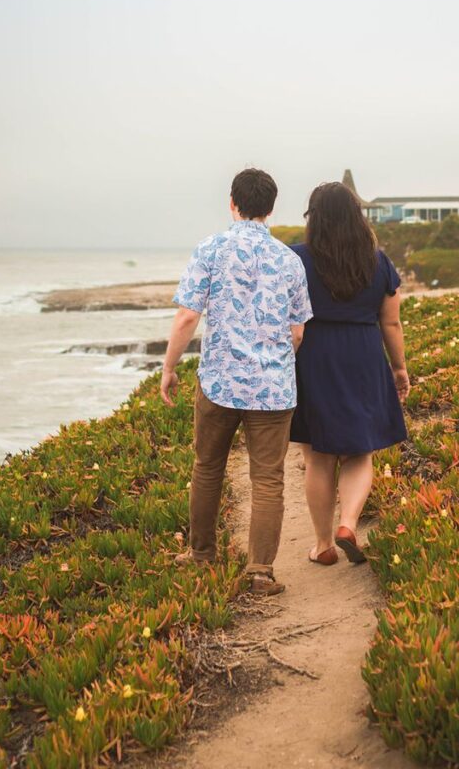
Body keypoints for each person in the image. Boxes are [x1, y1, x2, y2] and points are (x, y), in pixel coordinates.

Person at [161, 168, 312, 596]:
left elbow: (188, 316)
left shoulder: (210, 249)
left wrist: (169, 367)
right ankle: (260, 571)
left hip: (219, 383)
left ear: (232, 203)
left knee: (207, 468)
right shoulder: (289, 260)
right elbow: (298, 330)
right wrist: (276, 364)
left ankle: (201, 555)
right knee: (268, 478)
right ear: (270, 208)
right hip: (274, 388)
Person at [290, 182, 410, 566]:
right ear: (357, 216)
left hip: (313, 355)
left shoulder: (297, 260)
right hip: (362, 355)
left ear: (314, 219)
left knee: (318, 455)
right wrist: (399, 367)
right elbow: (390, 324)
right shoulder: (378, 261)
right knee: (360, 451)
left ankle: (323, 545)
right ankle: (348, 524)